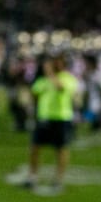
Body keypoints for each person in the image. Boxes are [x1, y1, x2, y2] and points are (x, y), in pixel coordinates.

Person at [24, 54, 79, 194]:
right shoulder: (44, 79)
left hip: (61, 118)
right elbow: (34, 92)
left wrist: (49, 74)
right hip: (44, 118)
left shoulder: (68, 78)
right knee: (35, 147)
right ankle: (32, 177)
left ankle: (58, 179)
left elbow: (60, 88)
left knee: (61, 149)